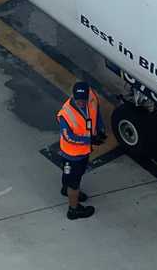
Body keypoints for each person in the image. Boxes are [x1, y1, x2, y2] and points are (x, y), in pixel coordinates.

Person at [57, 81, 103, 220]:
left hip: (82, 153)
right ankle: (73, 210)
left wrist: (100, 129)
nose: (81, 103)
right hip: (72, 155)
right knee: (74, 183)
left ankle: (66, 188)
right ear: (73, 96)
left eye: (83, 100)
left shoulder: (92, 99)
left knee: (68, 173)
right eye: (78, 100)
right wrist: (89, 140)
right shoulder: (65, 114)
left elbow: (96, 113)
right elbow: (69, 137)